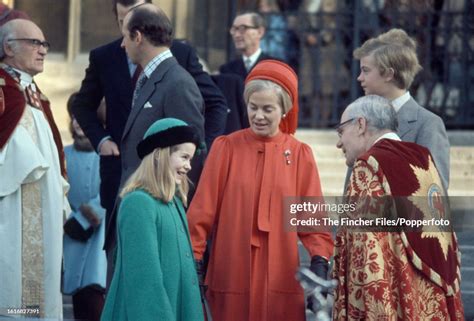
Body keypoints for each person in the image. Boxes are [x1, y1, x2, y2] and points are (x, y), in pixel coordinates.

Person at [71, 0, 227, 255]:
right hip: (126, 188)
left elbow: (189, 149)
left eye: (126, 35)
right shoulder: (113, 60)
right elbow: (83, 104)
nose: (122, 44)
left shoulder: (177, 79)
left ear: (138, 35)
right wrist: (102, 140)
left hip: (155, 206)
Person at [187, 60, 334, 321]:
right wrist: (194, 259)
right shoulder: (226, 148)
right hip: (230, 271)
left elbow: (313, 221)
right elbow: (201, 212)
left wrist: (320, 261)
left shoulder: (300, 154)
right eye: (253, 107)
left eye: (268, 109)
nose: (258, 116)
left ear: (285, 111)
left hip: (281, 277)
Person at [332, 95, 464, 320]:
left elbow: (365, 258)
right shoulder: (423, 158)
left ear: (361, 124)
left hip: (396, 304)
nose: (339, 143)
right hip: (433, 297)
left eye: (341, 131)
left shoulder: (368, 167)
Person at [101, 118, 204, 321]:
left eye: (190, 159)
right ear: (160, 155)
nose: (189, 166)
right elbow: (144, 282)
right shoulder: (138, 203)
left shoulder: (173, 203)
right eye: (184, 157)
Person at [0, 19, 69, 318]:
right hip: (10, 213)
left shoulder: (36, 97)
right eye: (34, 43)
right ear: (8, 47)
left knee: (39, 303)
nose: (42, 51)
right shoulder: (4, 92)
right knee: (13, 300)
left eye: (45, 44)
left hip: (45, 218)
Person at [354, 28, 450, 190]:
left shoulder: (428, 124)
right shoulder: (362, 120)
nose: (359, 77)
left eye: (366, 70)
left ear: (389, 74)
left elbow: (435, 192)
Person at [62, 93, 106, 321]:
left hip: (100, 240)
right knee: (80, 302)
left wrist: (92, 213)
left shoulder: (107, 154)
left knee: (95, 297)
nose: (78, 122)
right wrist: (69, 218)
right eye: (74, 117)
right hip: (71, 237)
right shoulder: (64, 155)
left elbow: (113, 188)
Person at [219, 12, 274, 80]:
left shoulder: (273, 67)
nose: (237, 35)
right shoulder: (227, 69)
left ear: (260, 32)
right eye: (234, 29)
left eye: (243, 28)